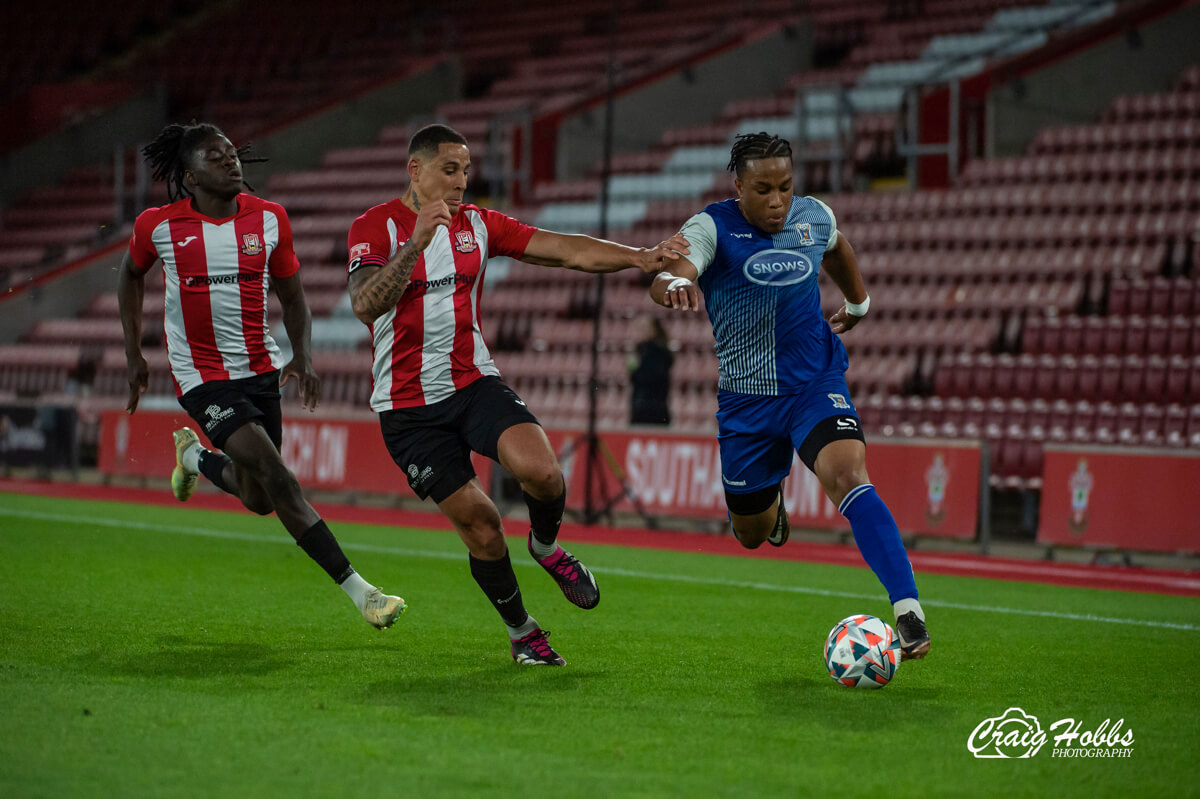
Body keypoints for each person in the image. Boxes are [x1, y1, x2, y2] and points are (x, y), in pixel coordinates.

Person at [346, 123, 689, 666]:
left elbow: (562, 250)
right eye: (449, 169)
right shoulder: (374, 227)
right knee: (482, 527)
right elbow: (365, 304)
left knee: (545, 472)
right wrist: (416, 242)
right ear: (416, 170)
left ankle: (547, 547)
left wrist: (639, 257)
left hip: (472, 382)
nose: (461, 182)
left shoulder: (478, 224)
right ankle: (522, 631)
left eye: (466, 170)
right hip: (408, 410)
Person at [649, 132, 930, 661]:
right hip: (746, 403)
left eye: (785, 186)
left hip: (813, 384)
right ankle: (770, 507)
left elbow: (837, 246)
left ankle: (908, 611)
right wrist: (672, 283)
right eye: (763, 189)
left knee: (849, 475)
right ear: (738, 186)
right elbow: (670, 272)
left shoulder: (812, 215)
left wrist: (859, 303)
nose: (777, 200)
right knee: (750, 535)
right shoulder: (711, 227)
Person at [118, 121, 405, 631]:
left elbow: (293, 296)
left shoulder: (270, 219)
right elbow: (129, 274)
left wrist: (304, 357)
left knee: (257, 498)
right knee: (280, 478)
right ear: (190, 174)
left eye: (232, 153)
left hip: (260, 368)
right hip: (201, 376)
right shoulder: (158, 226)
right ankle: (364, 595)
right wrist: (134, 353)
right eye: (215, 156)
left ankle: (192, 457)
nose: (231, 161)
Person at [628, 313, 673, 425]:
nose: (639, 331)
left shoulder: (654, 352)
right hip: (648, 407)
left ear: (653, 330)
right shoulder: (642, 350)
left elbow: (640, 376)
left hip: (649, 410)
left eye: (643, 328)